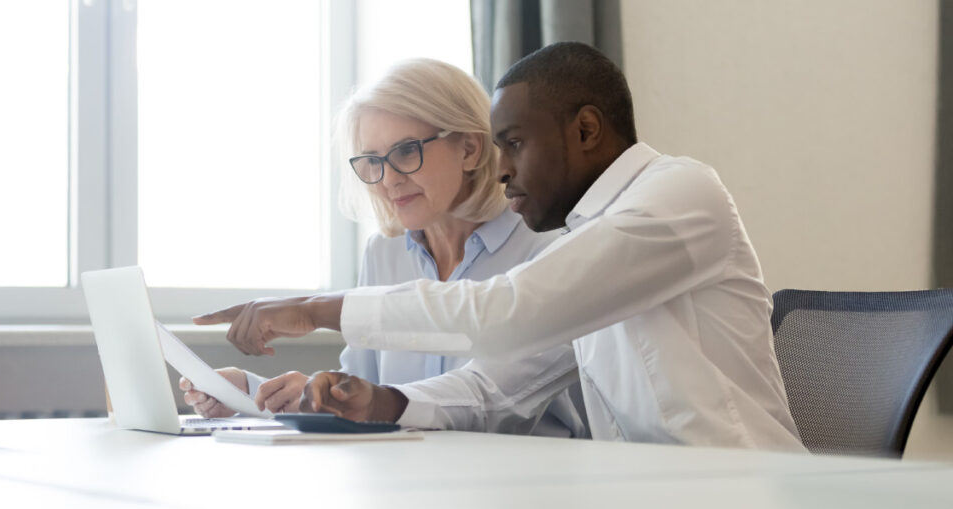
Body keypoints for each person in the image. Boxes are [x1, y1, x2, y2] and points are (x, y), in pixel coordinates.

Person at [195, 42, 805, 451]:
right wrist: (380, 400)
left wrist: (315, 310)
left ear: (586, 131)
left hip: (740, 487)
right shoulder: (584, 238)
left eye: (512, 143)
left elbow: (505, 313)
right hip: (646, 488)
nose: (500, 167)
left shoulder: (679, 195)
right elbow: (498, 385)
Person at [181, 58, 586, 438]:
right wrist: (249, 393)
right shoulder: (384, 253)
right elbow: (361, 395)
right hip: (407, 477)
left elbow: (493, 398)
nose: (388, 179)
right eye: (372, 160)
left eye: (407, 151)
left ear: (469, 149)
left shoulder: (546, 246)